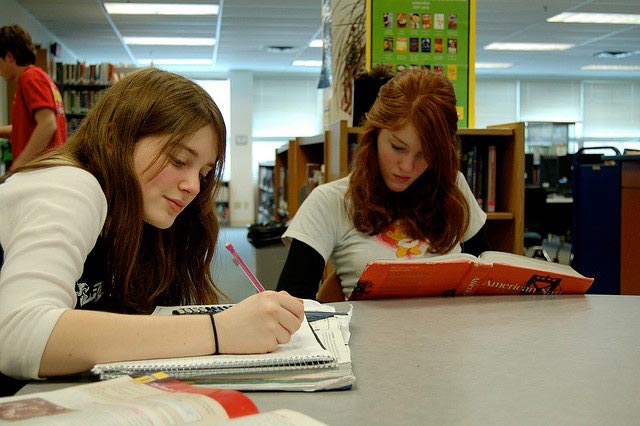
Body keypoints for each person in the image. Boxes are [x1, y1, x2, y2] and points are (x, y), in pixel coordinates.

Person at [0, 67, 304, 392]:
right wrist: (218, 331)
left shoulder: (139, 214)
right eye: (177, 161)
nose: (193, 187)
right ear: (117, 135)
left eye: (203, 172)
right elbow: (17, 335)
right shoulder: (70, 185)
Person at [276, 69, 489, 300]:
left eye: (425, 154)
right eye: (398, 147)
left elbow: (487, 275)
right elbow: (291, 303)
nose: (407, 166)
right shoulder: (331, 200)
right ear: (374, 134)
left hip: (451, 333)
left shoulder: (453, 186)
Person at [0, 24, 67, 170]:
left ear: (9, 57)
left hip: (40, 169)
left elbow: (48, 124)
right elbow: (27, 127)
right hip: (48, 167)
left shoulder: (30, 78)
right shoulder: (40, 77)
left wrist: (19, 165)